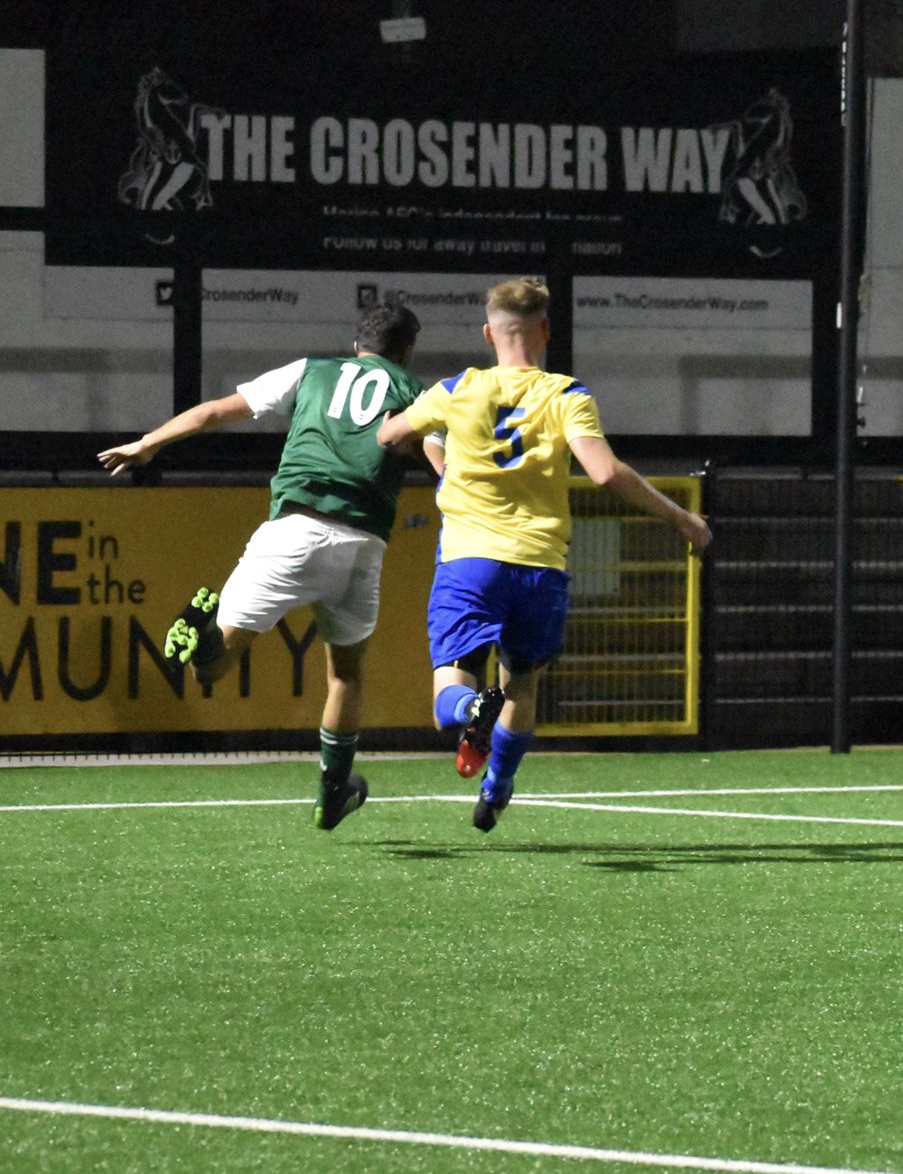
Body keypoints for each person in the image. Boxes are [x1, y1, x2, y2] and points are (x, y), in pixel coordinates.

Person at [377, 277, 712, 833]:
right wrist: (681, 519)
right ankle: (499, 784)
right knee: (522, 684)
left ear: (489, 333)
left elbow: (391, 434)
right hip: (540, 566)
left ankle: (470, 714)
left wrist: (439, 452)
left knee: (449, 697)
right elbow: (605, 472)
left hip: (470, 563)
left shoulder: (457, 388)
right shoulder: (566, 394)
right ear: (546, 331)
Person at [96, 302, 431, 832]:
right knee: (345, 673)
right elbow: (444, 464)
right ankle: (333, 791)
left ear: (355, 343)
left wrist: (147, 444)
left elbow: (214, 411)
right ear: (407, 352)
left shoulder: (310, 371)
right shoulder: (416, 394)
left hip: (292, 532)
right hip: (363, 543)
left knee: (212, 667)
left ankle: (205, 633)